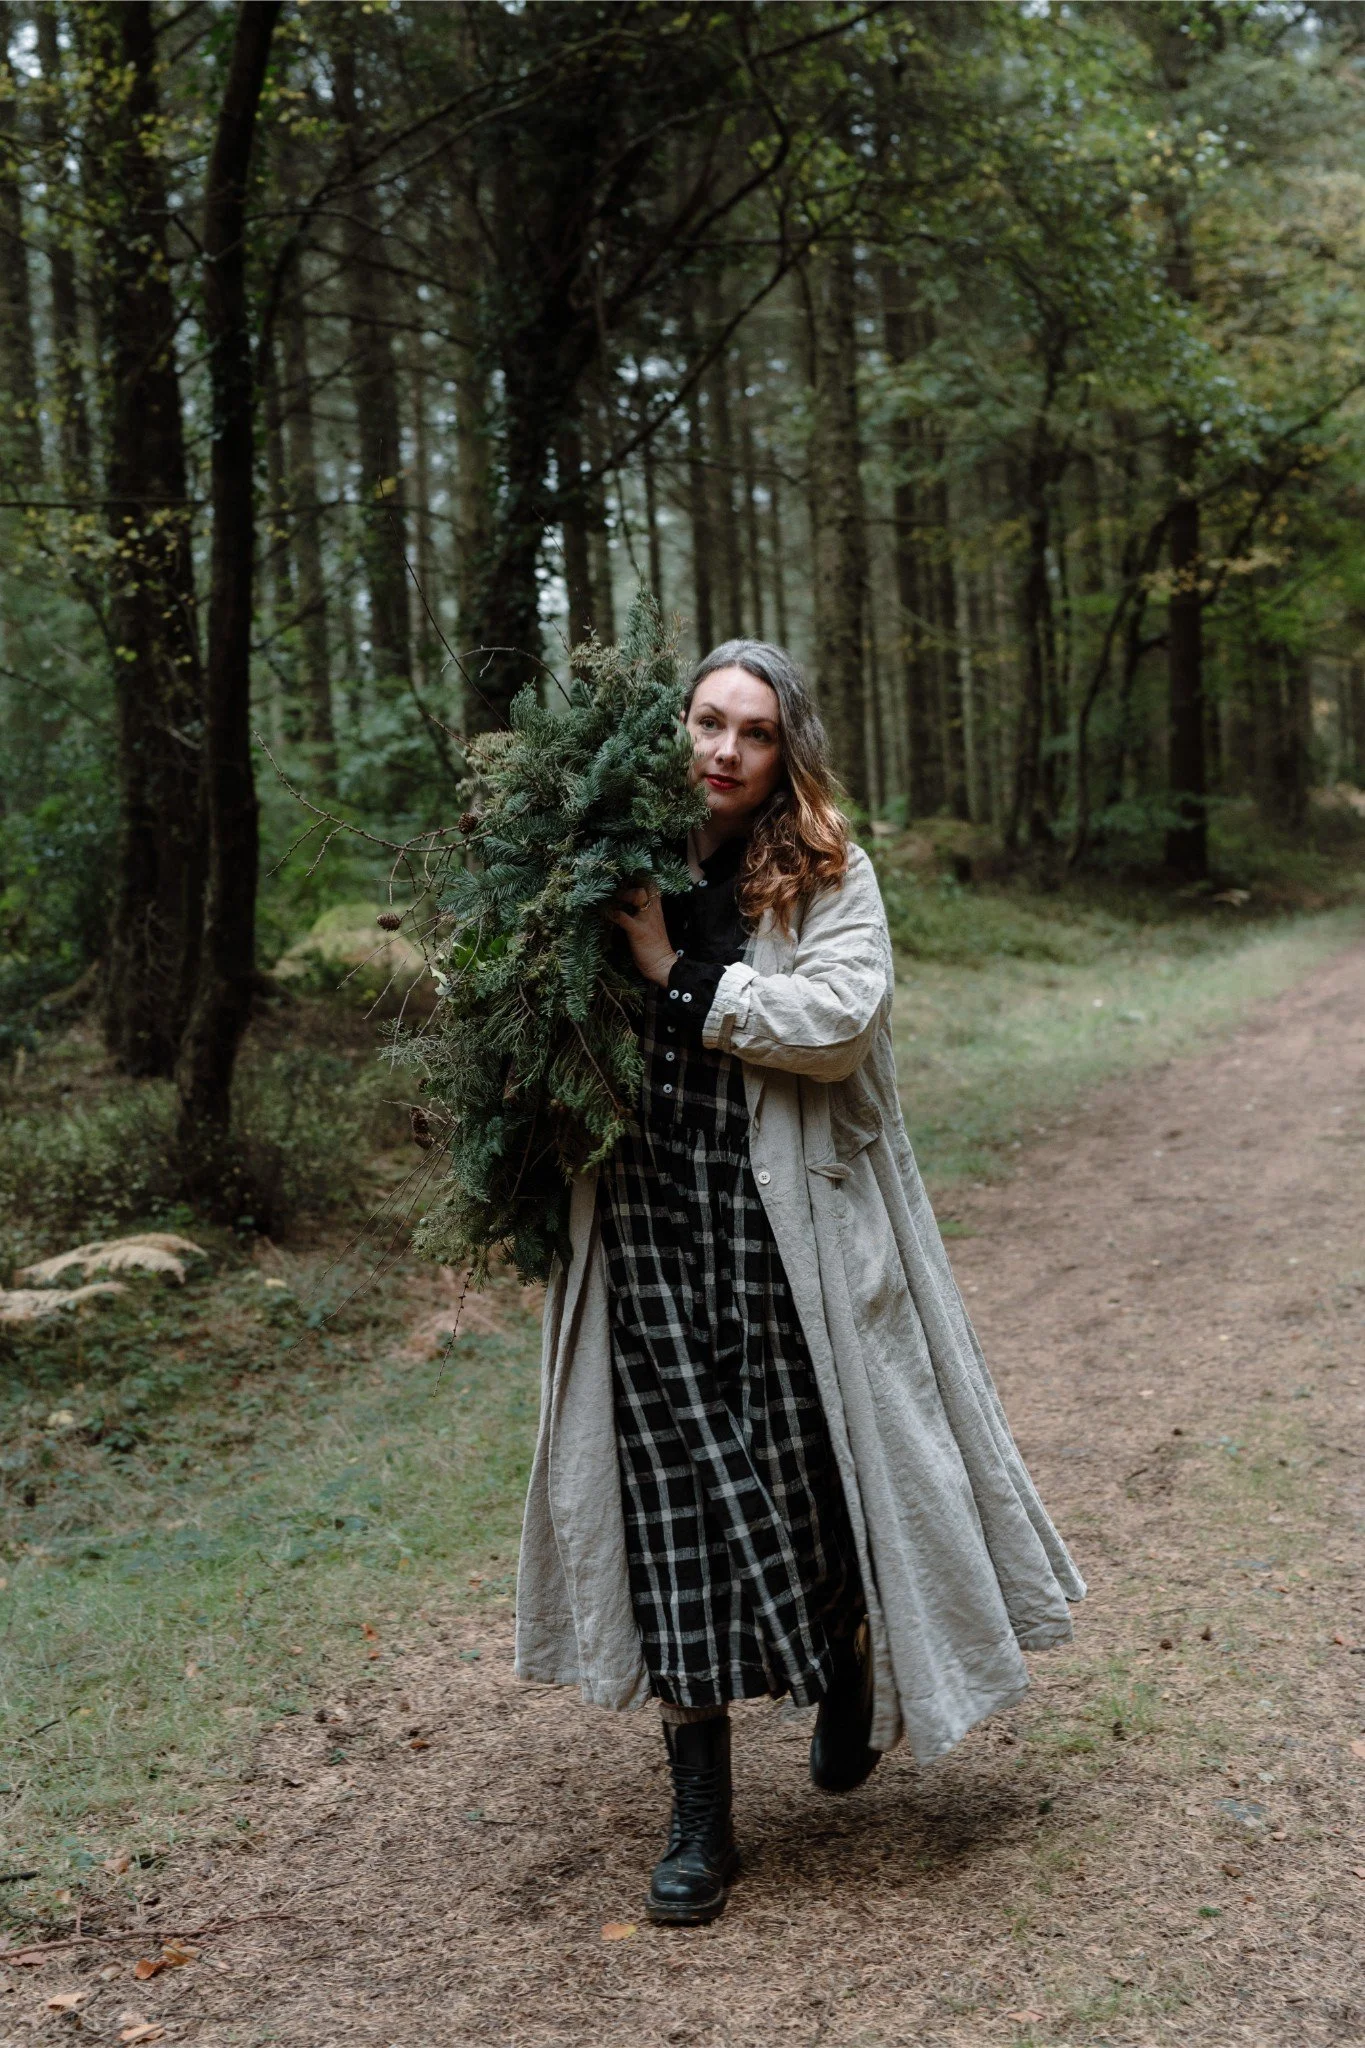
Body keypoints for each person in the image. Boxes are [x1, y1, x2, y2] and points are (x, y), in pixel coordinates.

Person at [514, 640, 1085, 1927]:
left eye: (753, 732)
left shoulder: (826, 872)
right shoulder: (600, 864)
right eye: (705, 722)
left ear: (787, 753)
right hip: (645, 1229)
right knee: (671, 1506)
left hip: (787, 1233)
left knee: (811, 1475)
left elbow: (835, 1024)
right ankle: (701, 1813)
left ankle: (849, 1649)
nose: (721, 750)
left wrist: (671, 969)